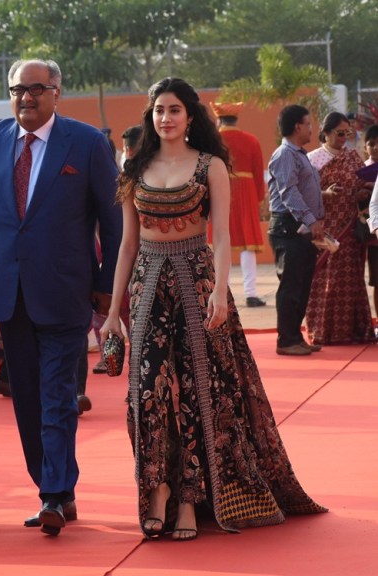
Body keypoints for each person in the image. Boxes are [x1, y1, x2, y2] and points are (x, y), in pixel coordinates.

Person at [100, 78, 327, 541]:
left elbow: (221, 236)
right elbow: (125, 245)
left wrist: (220, 292)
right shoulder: (134, 166)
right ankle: (157, 490)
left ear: (190, 116)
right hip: (146, 288)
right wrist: (111, 313)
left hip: (198, 282)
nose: (165, 118)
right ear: (150, 115)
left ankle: (190, 498)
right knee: (148, 391)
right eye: (159, 110)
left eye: (174, 110)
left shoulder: (211, 166)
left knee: (201, 389)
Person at [0, 59, 122, 536]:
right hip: (5, 293)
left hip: (66, 290)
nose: (26, 97)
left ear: (57, 92)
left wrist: (108, 285)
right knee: (27, 397)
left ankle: (53, 494)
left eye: (36, 88)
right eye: (18, 89)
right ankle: (54, 486)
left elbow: (113, 221)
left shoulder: (86, 143)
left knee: (58, 393)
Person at [305, 112, 374, 344]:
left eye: (348, 133)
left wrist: (363, 191)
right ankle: (323, 330)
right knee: (325, 279)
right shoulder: (313, 159)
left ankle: (353, 331)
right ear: (326, 133)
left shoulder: (352, 156)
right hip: (325, 229)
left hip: (350, 230)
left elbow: (362, 185)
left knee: (351, 280)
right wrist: (325, 194)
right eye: (340, 133)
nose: (344, 138)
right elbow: (304, 194)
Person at [268, 105, 326, 356]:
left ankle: (295, 336)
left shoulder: (300, 155)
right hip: (288, 226)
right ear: (297, 127)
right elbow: (289, 192)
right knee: (291, 286)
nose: (312, 129)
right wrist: (311, 220)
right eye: (308, 124)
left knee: (302, 285)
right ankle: (286, 340)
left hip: (301, 226)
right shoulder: (285, 154)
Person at [210, 101, 267, 307]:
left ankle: (220, 291)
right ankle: (251, 293)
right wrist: (259, 199)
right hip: (246, 192)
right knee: (247, 244)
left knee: (218, 241)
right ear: (236, 119)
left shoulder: (212, 140)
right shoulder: (251, 140)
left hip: (218, 188)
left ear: (218, 119)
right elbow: (258, 172)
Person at [362, 125, 378, 317]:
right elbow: (373, 205)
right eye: (371, 144)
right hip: (374, 237)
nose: (375, 148)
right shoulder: (361, 170)